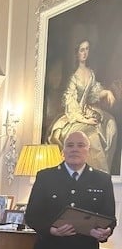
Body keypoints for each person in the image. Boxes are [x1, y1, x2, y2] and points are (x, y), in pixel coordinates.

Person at [48, 39, 117, 173]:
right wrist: (85, 120)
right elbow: (70, 101)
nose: (85, 53)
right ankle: (96, 172)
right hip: (73, 115)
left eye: (87, 49)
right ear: (76, 53)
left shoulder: (90, 72)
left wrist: (107, 92)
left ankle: (104, 174)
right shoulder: (72, 76)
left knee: (111, 123)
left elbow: (93, 92)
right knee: (92, 136)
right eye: (82, 50)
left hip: (87, 110)